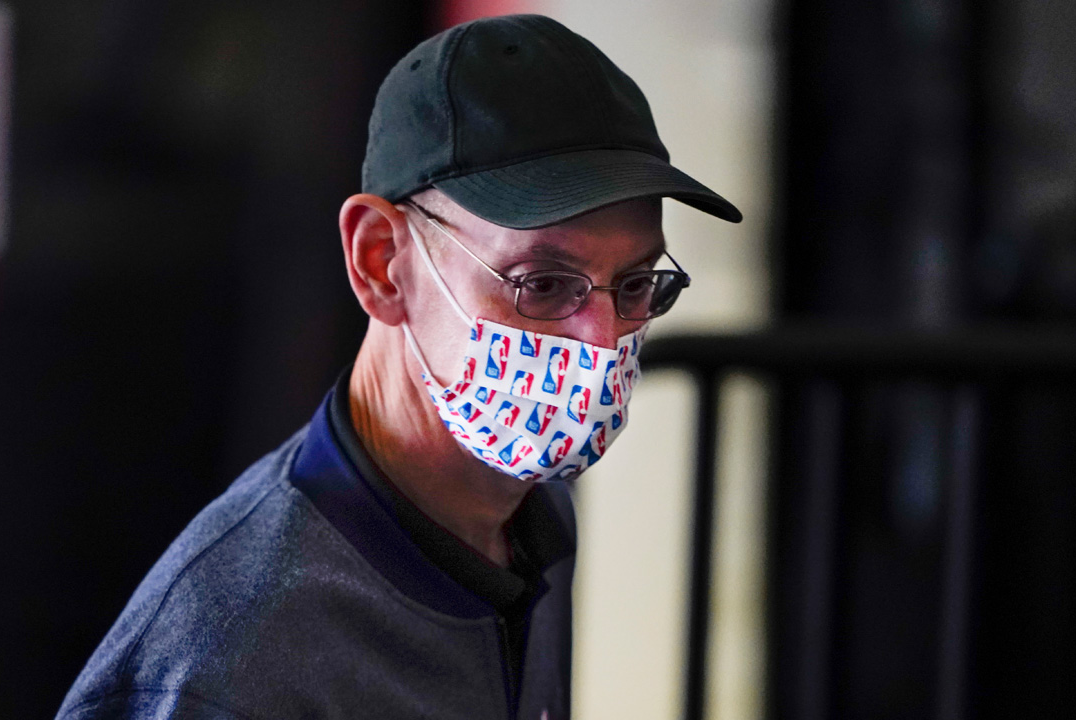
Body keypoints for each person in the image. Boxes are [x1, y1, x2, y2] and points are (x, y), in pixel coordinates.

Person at [55, 13, 740, 720]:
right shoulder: (231, 663)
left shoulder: (534, 516)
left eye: (635, 284)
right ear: (381, 261)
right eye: (541, 283)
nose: (602, 340)